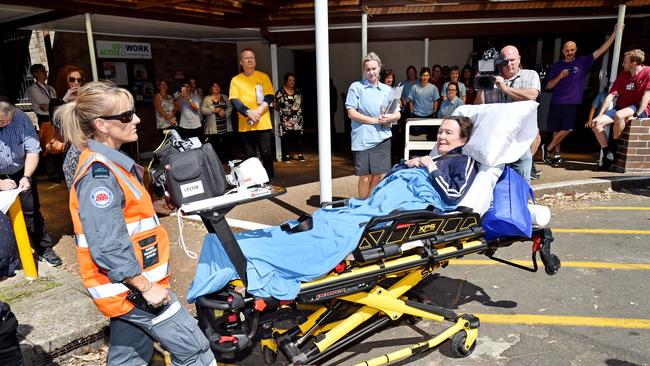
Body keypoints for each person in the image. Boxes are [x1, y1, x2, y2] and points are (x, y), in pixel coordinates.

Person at [54, 81, 216, 366]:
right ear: (102, 125)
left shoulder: (111, 162)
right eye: (127, 116)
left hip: (127, 289)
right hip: (132, 290)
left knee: (130, 356)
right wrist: (145, 287)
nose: (137, 119)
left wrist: (155, 207)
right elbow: (106, 244)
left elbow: (120, 217)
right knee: (195, 351)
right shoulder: (98, 176)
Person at [543, 25, 620, 164]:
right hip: (556, 101)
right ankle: (556, 154)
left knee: (568, 129)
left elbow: (601, 50)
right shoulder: (557, 66)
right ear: (562, 51)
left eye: (572, 50)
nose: (569, 52)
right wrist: (559, 76)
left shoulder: (582, 62)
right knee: (556, 130)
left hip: (572, 103)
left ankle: (547, 148)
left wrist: (615, 34)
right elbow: (548, 86)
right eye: (567, 50)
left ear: (576, 50)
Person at [0, 99, 61, 267]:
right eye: (0, 121)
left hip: (21, 170)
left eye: (8, 120)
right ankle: (9, 257)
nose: (4, 124)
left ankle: (44, 249)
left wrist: (26, 176)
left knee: (31, 211)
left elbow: (33, 150)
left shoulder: (21, 119)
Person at [475, 45, 541, 182]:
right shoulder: (491, 77)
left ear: (519, 59)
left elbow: (532, 95)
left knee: (521, 176)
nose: (509, 64)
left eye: (512, 60)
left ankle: (521, 200)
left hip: (519, 138)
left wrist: (504, 88)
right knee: (491, 178)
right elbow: (478, 108)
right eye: (505, 61)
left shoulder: (530, 75)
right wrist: (481, 87)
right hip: (495, 137)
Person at [346, 52, 401, 199]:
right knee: (364, 177)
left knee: (377, 176)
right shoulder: (356, 87)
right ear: (364, 70)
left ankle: (369, 206)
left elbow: (398, 113)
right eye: (368, 69)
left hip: (382, 138)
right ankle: (362, 205)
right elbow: (351, 113)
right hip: (362, 140)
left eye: (374, 68)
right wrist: (376, 121)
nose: (371, 72)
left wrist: (390, 117)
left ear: (379, 68)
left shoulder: (387, 90)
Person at [589, 49, 650, 171]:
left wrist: (637, 115)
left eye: (625, 62)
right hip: (621, 106)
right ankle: (608, 153)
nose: (622, 64)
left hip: (638, 106)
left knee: (619, 115)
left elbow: (646, 96)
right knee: (596, 124)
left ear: (633, 63)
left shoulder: (648, 72)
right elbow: (611, 95)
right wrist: (599, 114)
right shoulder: (623, 75)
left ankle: (613, 146)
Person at [402, 116, 477, 205]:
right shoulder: (435, 158)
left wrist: (432, 168)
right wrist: (406, 164)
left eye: (448, 133)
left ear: (463, 140)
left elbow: (453, 195)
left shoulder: (462, 161)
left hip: (410, 205)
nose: (441, 136)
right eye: (440, 132)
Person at [229, 48, 276, 179]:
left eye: (252, 58)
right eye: (246, 58)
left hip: (263, 123)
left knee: (266, 153)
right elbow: (235, 100)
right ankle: (255, 180)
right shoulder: (236, 80)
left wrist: (258, 111)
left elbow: (269, 96)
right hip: (246, 124)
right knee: (250, 156)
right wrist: (248, 112)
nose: (250, 60)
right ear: (241, 62)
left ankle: (269, 179)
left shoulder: (263, 76)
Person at [49, 65, 85, 190]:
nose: (76, 83)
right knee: (75, 190)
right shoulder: (56, 102)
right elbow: (57, 123)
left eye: (79, 80)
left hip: (89, 148)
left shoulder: (85, 100)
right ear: (64, 82)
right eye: (72, 80)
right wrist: (65, 100)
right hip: (71, 150)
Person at [275, 73, 305, 162]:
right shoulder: (280, 92)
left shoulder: (298, 92)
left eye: (293, 80)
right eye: (290, 80)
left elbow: (301, 103)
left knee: (298, 136)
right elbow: (277, 105)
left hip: (297, 119)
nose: (292, 82)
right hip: (285, 119)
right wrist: (286, 111)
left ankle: (300, 154)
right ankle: (286, 155)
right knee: (286, 137)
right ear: (286, 81)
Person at [202, 82, 233, 161]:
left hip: (225, 127)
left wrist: (225, 114)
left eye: (217, 86)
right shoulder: (207, 98)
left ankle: (226, 161)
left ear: (220, 88)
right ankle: (216, 162)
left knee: (226, 144)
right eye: (214, 86)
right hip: (213, 127)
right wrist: (214, 111)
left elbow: (230, 107)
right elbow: (203, 110)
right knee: (215, 145)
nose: (216, 88)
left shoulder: (225, 97)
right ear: (211, 89)